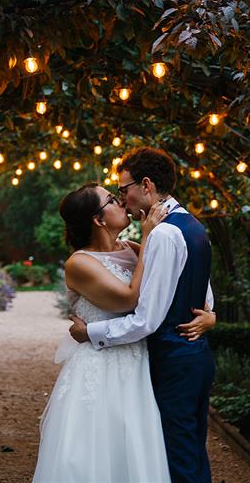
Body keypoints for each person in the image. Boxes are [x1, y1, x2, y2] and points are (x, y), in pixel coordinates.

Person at [32, 177, 215, 482]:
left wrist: (211, 315)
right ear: (97, 218)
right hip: (101, 368)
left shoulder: (130, 249)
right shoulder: (79, 263)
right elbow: (129, 298)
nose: (121, 201)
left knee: (141, 450)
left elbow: (180, 274)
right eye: (111, 199)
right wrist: (147, 238)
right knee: (98, 453)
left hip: (138, 365)